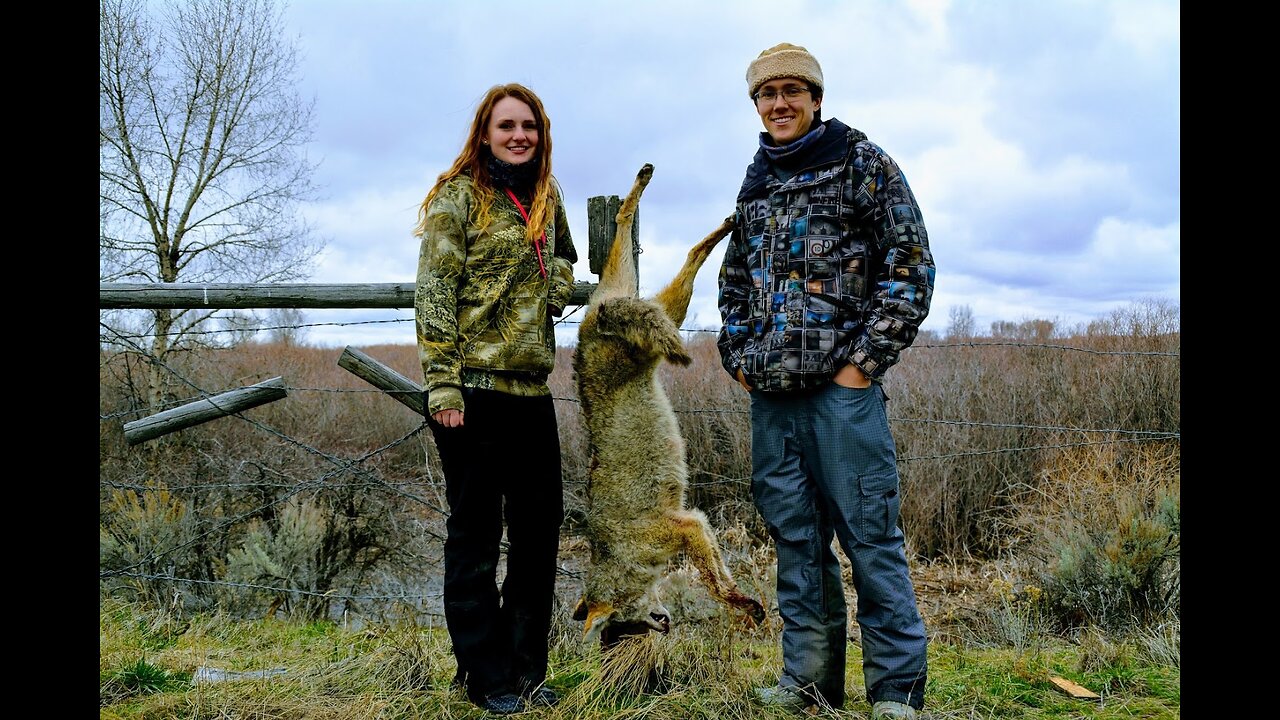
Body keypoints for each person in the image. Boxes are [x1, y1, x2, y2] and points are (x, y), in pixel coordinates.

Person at [716, 43, 934, 720]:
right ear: (755, 104)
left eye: (792, 91)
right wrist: (741, 361)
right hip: (773, 405)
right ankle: (808, 685)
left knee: (870, 540)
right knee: (796, 545)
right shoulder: (757, 182)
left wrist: (858, 368)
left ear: (815, 97)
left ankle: (896, 693)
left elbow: (911, 267)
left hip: (843, 402)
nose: (779, 103)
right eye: (766, 94)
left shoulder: (861, 163)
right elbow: (732, 286)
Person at [414, 82, 578, 716]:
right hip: (472, 396)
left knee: (539, 536)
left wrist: (556, 285)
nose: (519, 135)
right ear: (484, 133)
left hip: (532, 392)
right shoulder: (459, 199)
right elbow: (434, 293)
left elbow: (562, 260)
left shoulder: (544, 195)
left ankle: (525, 671)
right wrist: (443, 383)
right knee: (476, 538)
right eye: (507, 125)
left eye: (529, 126)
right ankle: (484, 677)